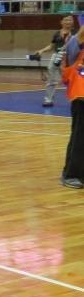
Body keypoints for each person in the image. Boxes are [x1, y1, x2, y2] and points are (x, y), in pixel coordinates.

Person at [61, 16, 84, 188]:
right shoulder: (75, 42)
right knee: (79, 136)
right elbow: (69, 66)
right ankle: (70, 174)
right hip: (81, 95)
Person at [33, 15, 75, 107]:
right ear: (62, 22)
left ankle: (76, 99)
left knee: (72, 80)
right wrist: (41, 50)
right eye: (66, 20)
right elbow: (51, 46)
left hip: (70, 58)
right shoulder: (56, 33)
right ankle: (48, 100)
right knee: (51, 79)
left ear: (73, 22)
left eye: (70, 20)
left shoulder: (76, 33)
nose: (68, 22)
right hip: (56, 56)